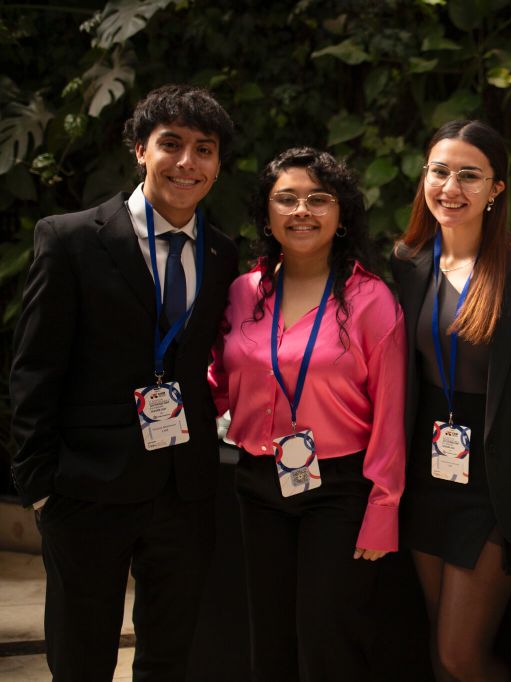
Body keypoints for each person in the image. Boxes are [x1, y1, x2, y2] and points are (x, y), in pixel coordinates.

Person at [9, 84, 238, 680]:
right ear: (140, 150)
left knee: (168, 657)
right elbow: (35, 368)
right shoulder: (71, 239)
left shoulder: (221, 253)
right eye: (171, 144)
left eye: (204, 149)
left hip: (184, 489)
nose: (187, 162)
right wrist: (40, 487)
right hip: (86, 486)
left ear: (217, 164)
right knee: (81, 657)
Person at [207, 147, 406, 681]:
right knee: (269, 638)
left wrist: (383, 509)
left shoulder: (371, 301)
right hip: (256, 482)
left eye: (319, 199)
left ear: (341, 216)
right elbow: (219, 380)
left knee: (327, 642)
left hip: (340, 492)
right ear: (266, 214)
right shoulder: (241, 293)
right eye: (287, 199)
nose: (302, 211)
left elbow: (390, 416)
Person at [391, 119, 511, 681]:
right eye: (440, 172)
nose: (451, 188)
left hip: (498, 481)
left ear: (496, 187)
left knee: (459, 654)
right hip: (426, 472)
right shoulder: (406, 263)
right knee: (437, 649)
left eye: (469, 175)